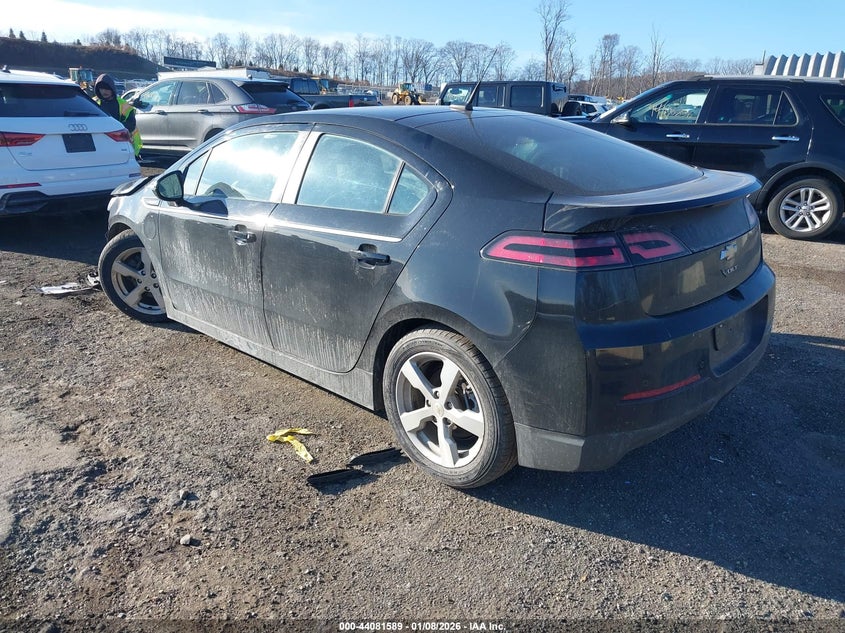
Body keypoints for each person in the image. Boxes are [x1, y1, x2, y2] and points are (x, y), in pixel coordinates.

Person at [93, 74, 142, 159]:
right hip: (101, 143)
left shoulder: (123, 104)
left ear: (112, 89)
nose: (104, 91)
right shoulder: (93, 103)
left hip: (122, 144)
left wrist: (113, 127)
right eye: (101, 89)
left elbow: (131, 125)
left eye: (107, 88)